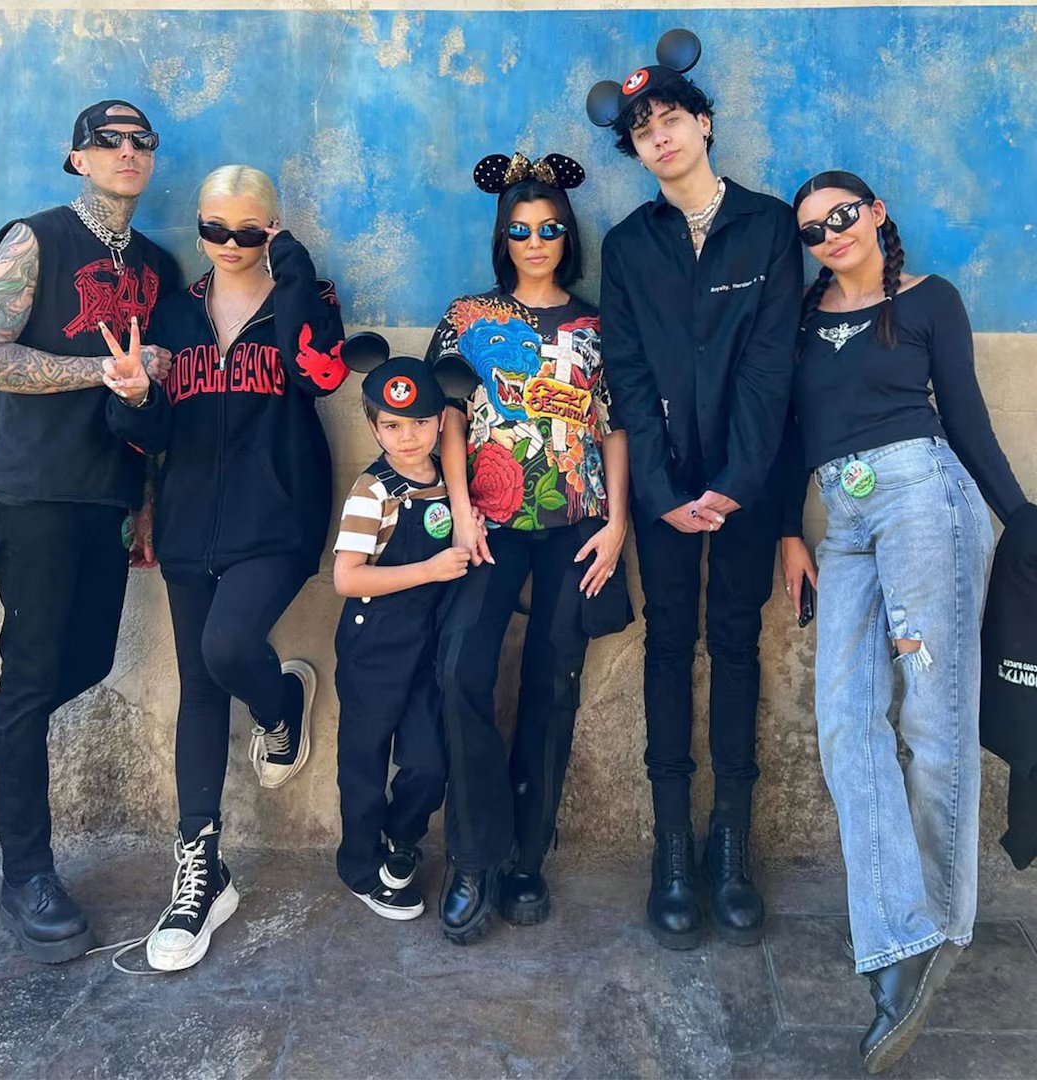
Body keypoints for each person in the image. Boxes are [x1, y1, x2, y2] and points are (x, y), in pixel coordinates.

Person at [780, 170, 1027, 1073]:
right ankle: (904, 932)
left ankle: (928, 938)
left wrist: (1021, 518)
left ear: (877, 214)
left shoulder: (928, 300)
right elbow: (791, 430)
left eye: (843, 215)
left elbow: (965, 416)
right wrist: (788, 532)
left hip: (924, 499)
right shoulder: (804, 317)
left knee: (933, 723)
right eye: (813, 230)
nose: (831, 235)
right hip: (842, 520)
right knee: (846, 724)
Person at [100, 164, 346, 971]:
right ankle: (201, 874)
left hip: (278, 517)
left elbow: (319, 376)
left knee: (227, 647)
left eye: (249, 231)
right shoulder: (173, 313)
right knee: (201, 688)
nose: (231, 244)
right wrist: (135, 396)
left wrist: (294, 269)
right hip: (188, 524)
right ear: (201, 227)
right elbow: (154, 434)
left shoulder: (308, 297)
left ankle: (281, 703)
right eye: (215, 229)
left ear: (271, 229)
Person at [589, 30, 802, 949]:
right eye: (643, 132)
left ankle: (731, 848)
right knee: (670, 645)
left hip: (748, 484)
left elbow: (771, 364)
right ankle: (672, 848)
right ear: (636, 152)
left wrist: (739, 483)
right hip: (665, 491)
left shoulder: (769, 226)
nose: (661, 138)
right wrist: (664, 488)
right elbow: (627, 371)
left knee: (738, 644)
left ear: (703, 124)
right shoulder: (628, 244)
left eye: (671, 119)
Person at [0, 100, 177, 960]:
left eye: (140, 142)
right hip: (35, 493)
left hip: (108, 498)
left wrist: (145, 500)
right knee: (32, 675)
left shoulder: (157, 266)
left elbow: (148, 396)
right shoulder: (37, 239)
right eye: (107, 141)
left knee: (78, 664)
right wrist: (101, 370)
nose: (126, 152)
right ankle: (27, 878)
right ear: (77, 157)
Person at [428, 151, 631, 945]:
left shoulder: (598, 325)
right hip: (488, 520)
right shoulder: (468, 316)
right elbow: (447, 417)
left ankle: (527, 859)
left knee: (554, 682)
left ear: (567, 236)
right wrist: (460, 509)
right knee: (460, 670)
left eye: (549, 229)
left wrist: (617, 523)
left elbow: (614, 427)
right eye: (520, 230)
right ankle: (475, 855)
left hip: (577, 522)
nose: (536, 241)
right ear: (502, 238)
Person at [331, 332, 478, 920]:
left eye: (420, 422)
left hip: (426, 646)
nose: (408, 436)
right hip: (374, 645)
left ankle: (402, 836)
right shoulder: (372, 491)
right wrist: (430, 570)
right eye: (392, 425)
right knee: (363, 761)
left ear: (441, 421)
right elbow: (346, 577)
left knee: (427, 760)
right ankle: (360, 865)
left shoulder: (448, 481)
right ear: (373, 426)